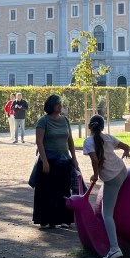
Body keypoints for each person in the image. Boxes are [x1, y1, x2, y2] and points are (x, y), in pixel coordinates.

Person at [83, 115, 130, 258]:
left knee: (107, 214)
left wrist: (95, 175)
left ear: (90, 126)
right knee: (113, 202)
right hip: (123, 170)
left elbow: (95, 160)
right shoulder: (108, 137)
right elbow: (126, 146)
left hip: (111, 178)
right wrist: (126, 153)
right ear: (103, 127)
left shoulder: (88, 141)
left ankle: (114, 249)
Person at [32, 94, 80, 228]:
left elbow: (70, 140)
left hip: (64, 160)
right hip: (49, 160)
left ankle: (64, 218)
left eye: (61, 104)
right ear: (51, 105)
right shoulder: (43, 121)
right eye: (58, 104)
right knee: (46, 191)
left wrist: (74, 159)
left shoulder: (65, 120)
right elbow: (39, 141)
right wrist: (44, 161)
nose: (60, 106)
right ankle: (45, 219)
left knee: (63, 190)